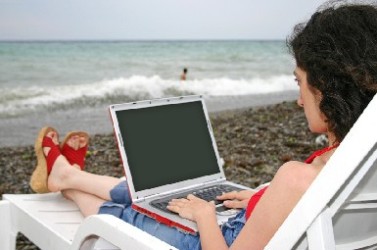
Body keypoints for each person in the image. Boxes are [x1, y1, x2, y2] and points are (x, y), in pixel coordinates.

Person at [29, 1, 377, 249]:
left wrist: (205, 216)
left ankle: (68, 186)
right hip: (256, 224)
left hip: (210, 240)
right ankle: (69, 174)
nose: (299, 99)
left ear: (329, 86)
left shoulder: (296, 178)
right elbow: (303, 206)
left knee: (123, 213)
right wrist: (263, 198)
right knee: (158, 195)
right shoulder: (359, 163)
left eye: (299, 82)